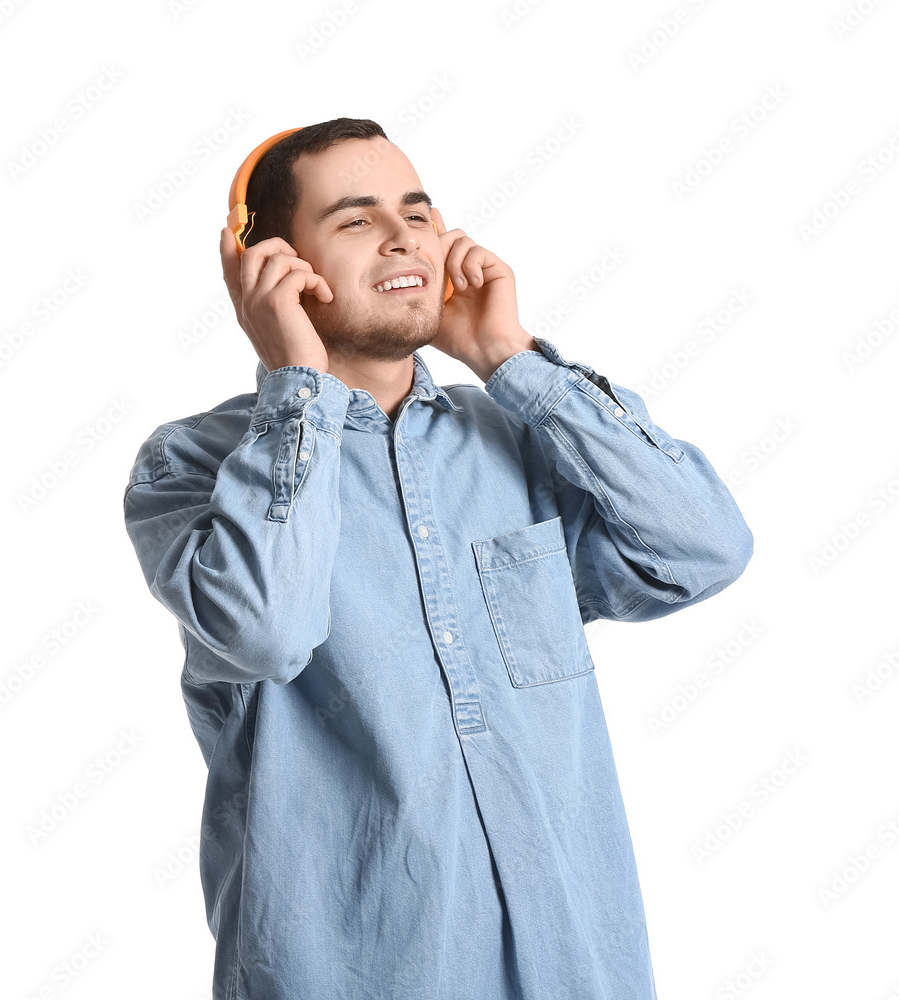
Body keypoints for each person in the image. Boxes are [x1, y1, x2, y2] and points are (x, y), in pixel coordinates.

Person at [123, 117, 753, 1000]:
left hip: (577, 969)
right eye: (354, 219)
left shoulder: (524, 434)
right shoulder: (192, 464)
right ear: (268, 264)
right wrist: (295, 385)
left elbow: (704, 551)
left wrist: (512, 359)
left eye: (416, 212)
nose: (402, 237)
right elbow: (265, 632)